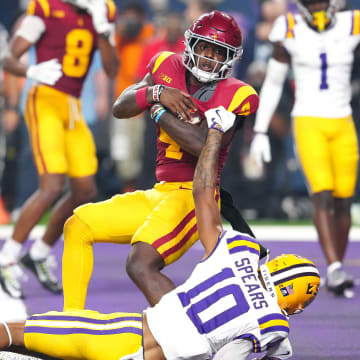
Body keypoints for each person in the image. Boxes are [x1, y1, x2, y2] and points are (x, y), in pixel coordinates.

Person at [0, 106, 321, 360]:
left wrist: (213, 136)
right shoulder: (274, 328)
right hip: (166, 354)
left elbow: (204, 190)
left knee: (16, 335)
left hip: (131, 335)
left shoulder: (239, 251)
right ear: (295, 308)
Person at [61, 10, 266, 311]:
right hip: (162, 190)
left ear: (230, 57)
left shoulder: (237, 94)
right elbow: (121, 106)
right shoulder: (164, 64)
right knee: (77, 224)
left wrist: (157, 108)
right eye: (204, 47)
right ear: (190, 44)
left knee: (140, 263)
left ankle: (189, 333)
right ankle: (72, 320)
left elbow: (201, 144)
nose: (209, 56)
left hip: (194, 197)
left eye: (218, 51)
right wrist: (157, 91)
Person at [0, 0, 118, 299]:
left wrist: (103, 31)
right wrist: (31, 71)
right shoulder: (46, 8)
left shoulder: (103, 11)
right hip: (45, 101)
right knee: (51, 186)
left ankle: (38, 253)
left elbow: (111, 68)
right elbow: (8, 58)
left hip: (74, 108)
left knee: (85, 190)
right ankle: (7, 258)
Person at [249, 0, 359, 296]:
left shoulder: (353, 23)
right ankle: (335, 267)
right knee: (321, 192)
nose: (319, 6)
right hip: (308, 118)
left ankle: (337, 264)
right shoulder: (289, 27)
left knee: (343, 198)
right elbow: (272, 83)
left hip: (343, 119)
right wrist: (260, 130)